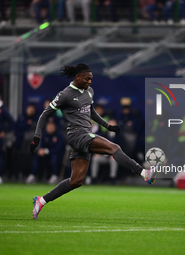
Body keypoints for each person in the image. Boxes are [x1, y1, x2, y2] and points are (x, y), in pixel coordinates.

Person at [30, 63, 160, 219]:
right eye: (87, 78)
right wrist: (37, 137)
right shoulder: (65, 94)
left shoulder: (89, 91)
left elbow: (91, 112)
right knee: (114, 147)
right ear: (77, 77)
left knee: (76, 181)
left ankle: (41, 200)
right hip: (77, 134)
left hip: (85, 134)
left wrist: (108, 126)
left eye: (91, 79)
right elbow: (45, 114)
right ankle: (144, 173)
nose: (90, 82)